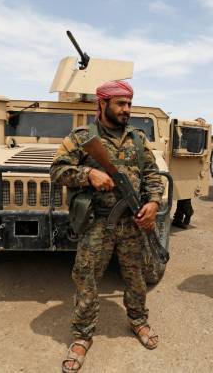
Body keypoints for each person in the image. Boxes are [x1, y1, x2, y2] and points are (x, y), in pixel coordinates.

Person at [51, 80, 164, 372]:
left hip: (133, 223)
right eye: (120, 104)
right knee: (86, 278)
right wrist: (88, 174)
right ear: (101, 104)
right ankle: (81, 335)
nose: (127, 109)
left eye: (129, 103)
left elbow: (152, 174)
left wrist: (153, 203)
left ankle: (138, 321)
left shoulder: (138, 138)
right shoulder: (81, 137)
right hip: (98, 223)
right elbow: (57, 171)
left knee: (135, 277)